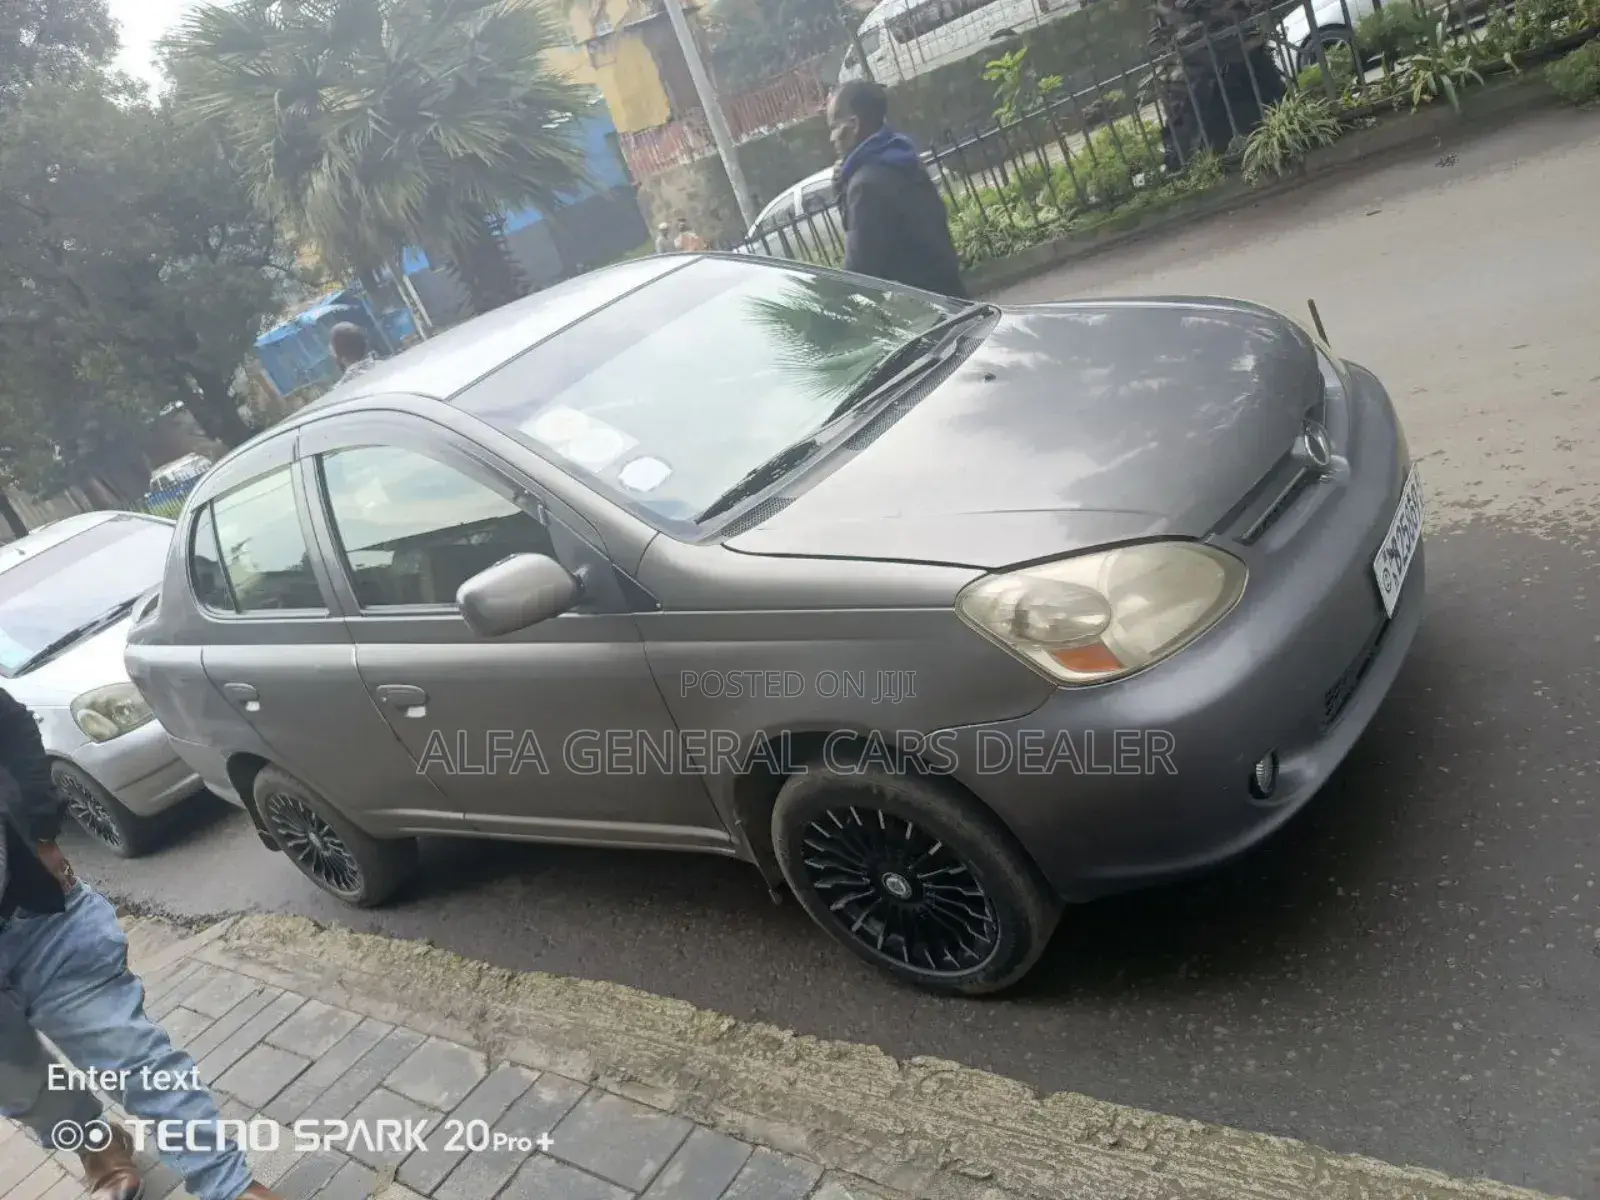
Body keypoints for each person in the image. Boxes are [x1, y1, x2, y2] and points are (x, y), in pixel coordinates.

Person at [0, 687, 283, 1200]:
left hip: (36, 918)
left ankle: (230, 1187)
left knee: (130, 1057)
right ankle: (98, 1143)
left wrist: (40, 832)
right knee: (22, 1087)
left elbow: (12, 722)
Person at [827, 79, 967, 299]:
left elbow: (860, 275)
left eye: (834, 127)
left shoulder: (865, 187)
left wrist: (840, 190)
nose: (831, 138)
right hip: (953, 297)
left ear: (853, 125)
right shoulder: (902, 158)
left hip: (922, 316)